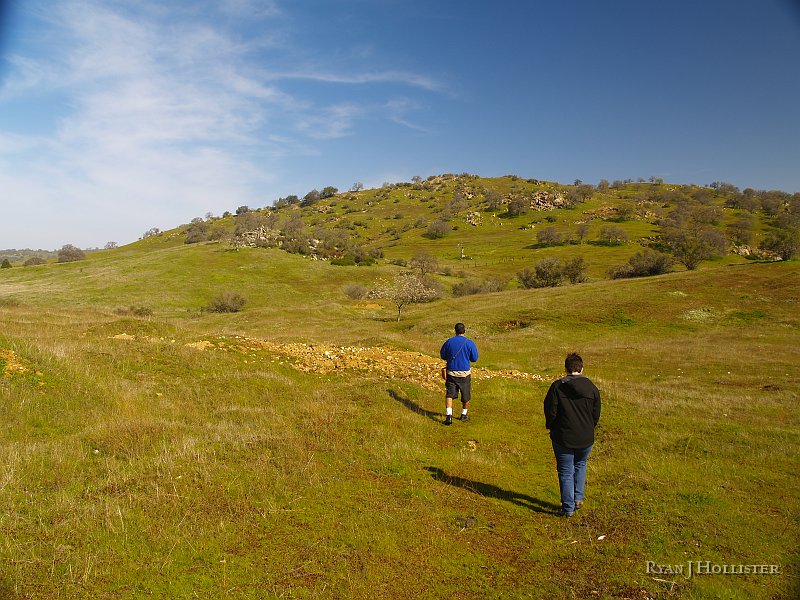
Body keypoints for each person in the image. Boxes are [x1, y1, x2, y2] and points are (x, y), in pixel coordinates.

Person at [544, 352, 601, 517]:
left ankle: (568, 508)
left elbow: (550, 411)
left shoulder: (557, 386)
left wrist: (552, 427)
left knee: (566, 470)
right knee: (580, 465)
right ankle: (578, 498)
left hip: (563, 437)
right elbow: (596, 413)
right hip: (585, 436)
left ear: (566, 369)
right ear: (581, 368)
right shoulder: (592, 388)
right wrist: (590, 427)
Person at [439, 322, 479, 425]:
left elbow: (443, 355)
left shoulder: (449, 342)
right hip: (464, 374)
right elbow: (474, 358)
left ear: (455, 331)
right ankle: (464, 415)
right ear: (464, 331)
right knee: (466, 395)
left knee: (449, 394)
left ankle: (449, 417)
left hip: (451, 372)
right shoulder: (469, 343)